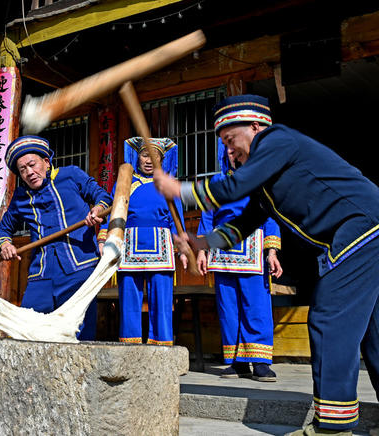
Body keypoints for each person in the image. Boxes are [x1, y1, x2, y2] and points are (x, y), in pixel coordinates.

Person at [153, 94, 379, 435]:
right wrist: (202, 243)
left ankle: (334, 427)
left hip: (363, 228)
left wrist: (180, 189)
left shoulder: (277, 140)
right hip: (367, 232)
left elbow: (233, 187)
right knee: (375, 334)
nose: (229, 152)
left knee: (329, 317)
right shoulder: (267, 181)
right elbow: (245, 222)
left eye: (231, 140)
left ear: (256, 126)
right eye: (224, 146)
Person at [0, 135, 113, 340]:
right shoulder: (21, 196)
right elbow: (3, 230)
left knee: (79, 333)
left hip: (80, 266)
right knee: (28, 331)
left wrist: (98, 209)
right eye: (22, 170)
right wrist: (5, 244)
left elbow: (103, 197)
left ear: (46, 162)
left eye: (32, 165)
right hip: (42, 273)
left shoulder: (70, 175)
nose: (29, 172)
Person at [196, 139, 283, 382]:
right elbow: (207, 216)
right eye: (228, 148)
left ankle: (261, 362)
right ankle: (238, 363)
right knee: (228, 308)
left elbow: (270, 217)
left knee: (256, 306)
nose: (232, 153)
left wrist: (272, 252)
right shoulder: (215, 181)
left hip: (252, 245)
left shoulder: (260, 178)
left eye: (236, 148)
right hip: (222, 248)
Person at [98, 137, 187, 346]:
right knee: (129, 297)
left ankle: (162, 344)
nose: (149, 160)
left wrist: (182, 248)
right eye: (145, 155)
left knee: (162, 299)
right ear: (137, 157)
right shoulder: (125, 184)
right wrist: (104, 238)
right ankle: (130, 344)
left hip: (162, 244)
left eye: (155, 157)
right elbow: (112, 213)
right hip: (129, 243)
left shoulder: (168, 185)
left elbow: (177, 220)